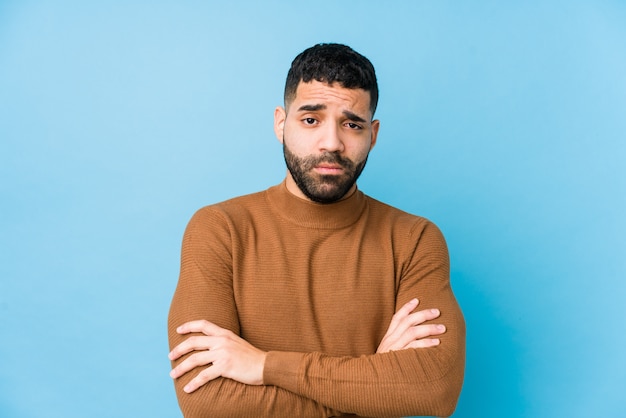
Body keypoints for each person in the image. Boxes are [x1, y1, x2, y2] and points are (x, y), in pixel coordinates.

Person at [168, 43, 465, 418]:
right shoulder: (220, 229)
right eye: (311, 120)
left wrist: (264, 366)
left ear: (372, 135)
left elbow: (433, 388)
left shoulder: (414, 239)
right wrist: (370, 386)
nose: (331, 143)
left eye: (351, 124)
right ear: (281, 123)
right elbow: (206, 402)